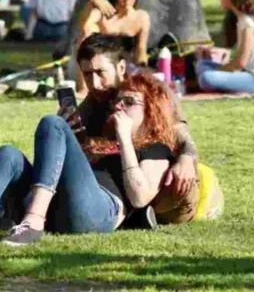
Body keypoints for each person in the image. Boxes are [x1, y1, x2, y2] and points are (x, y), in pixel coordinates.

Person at [0, 71, 178, 250]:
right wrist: (72, 137)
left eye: (129, 102)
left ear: (151, 110)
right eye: (117, 101)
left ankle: (33, 223)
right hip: (60, 206)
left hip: (98, 211)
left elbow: (140, 197)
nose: (119, 106)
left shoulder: (156, 148)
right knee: (9, 154)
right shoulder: (103, 139)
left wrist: (124, 138)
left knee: (53, 124)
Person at [69, 34, 200, 225]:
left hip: (159, 173)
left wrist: (186, 159)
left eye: (101, 72)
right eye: (87, 74)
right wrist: (67, 129)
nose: (95, 83)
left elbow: (181, 134)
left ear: (121, 67)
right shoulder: (89, 108)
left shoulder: (147, 90)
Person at [76, 0, 151, 66]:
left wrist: (142, 66)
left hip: (128, 67)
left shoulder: (141, 17)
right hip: (100, 65)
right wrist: (91, 2)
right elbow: (83, 27)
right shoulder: (102, 15)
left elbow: (141, 49)